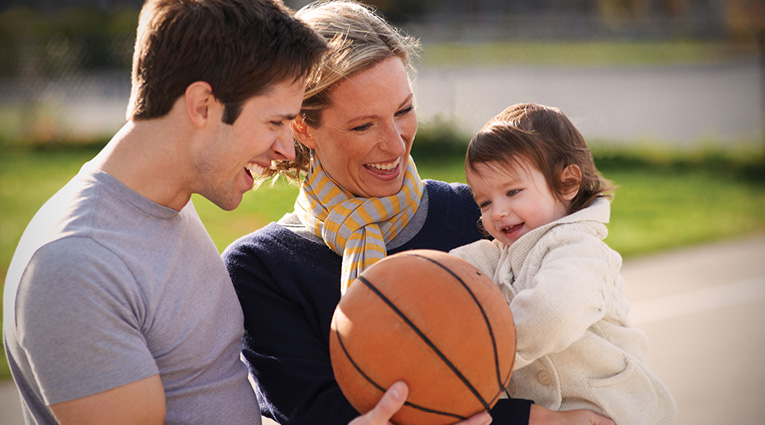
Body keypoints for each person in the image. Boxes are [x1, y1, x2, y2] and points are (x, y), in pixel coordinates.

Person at [1, 1, 410, 424]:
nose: (288, 150)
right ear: (201, 105)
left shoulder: (167, 209)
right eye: (274, 123)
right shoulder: (77, 265)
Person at [223, 2, 616, 424]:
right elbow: (326, 415)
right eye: (363, 126)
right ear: (301, 126)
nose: (395, 144)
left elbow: (580, 330)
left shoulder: (484, 216)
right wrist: (529, 419)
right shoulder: (261, 269)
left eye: (403, 111)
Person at [449, 103, 677, 425]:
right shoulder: (500, 255)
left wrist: (481, 357)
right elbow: (446, 270)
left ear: (567, 183)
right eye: (484, 202)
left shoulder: (581, 250)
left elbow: (553, 313)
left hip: (617, 414)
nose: (497, 211)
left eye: (512, 191)